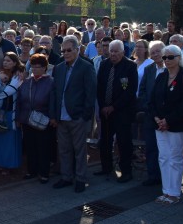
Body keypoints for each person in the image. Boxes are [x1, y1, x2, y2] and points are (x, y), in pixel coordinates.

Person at [149, 44, 183, 204]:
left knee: (175, 158)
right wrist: (157, 119)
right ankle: (166, 191)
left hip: (176, 126)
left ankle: (174, 193)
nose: (167, 60)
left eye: (170, 57)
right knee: (163, 157)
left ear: (178, 58)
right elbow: (153, 101)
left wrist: (168, 120)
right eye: (164, 57)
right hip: (159, 125)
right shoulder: (161, 77)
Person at [50, 35, 97, 192]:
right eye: (63, 50)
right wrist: (54, 115)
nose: (66, 53)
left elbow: (90, 93)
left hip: (77, 116)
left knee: (79, 150)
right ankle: (66, 177)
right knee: (63, 149)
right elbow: (54, 93)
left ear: (77, 50)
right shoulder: (59, 67)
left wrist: (85, 116)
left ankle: (81, 178)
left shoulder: (86, 66)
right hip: (61, 117)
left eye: (69, 50)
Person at [95, 40, 138, 182]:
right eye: (111, 51)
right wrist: (103, 106)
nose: (112, 54)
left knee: (124, 141)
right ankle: (106, 167)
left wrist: (114, 107)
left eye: (116, 52)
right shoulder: (104, 64)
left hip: (122, 112)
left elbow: (130, 91)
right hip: (105, 111)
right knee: (105, 140)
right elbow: (100, 87)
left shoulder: (130, 66)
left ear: (123, 52)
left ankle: (126, 171)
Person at [15, 54, 54, 183]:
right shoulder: (26, 82)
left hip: (44, 120)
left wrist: (52, 118)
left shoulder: (51, 82)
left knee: (44, 148)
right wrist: (19, 118)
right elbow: (19, 101)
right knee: (30, 147)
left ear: (45, 68)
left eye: (38, 67)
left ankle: (44, 173)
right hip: (27, 120)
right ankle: (32, 171)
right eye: (33, 67)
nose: (35, 69)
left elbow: (54, 102)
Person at [0, 52, 24, 175]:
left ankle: (8, 165)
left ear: (15, 63)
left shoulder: (18, 76)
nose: (6, 63)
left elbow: (7, 92)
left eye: (9, 61)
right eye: (5, 60)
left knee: (8, 141)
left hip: (9, 112)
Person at [137, 41, 165, 186]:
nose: (155, 54)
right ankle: (153, 176)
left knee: (165, 150)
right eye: (152, 52)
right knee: (151, 148)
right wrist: (149, 109)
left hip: (165, 118)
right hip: (149, 115)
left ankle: (165, 177)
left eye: (158, 51)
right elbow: (141, 92)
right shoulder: (148, 69)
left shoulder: (170, 69)